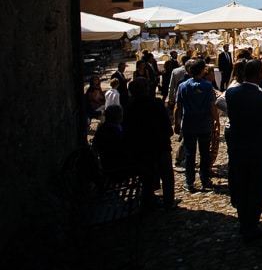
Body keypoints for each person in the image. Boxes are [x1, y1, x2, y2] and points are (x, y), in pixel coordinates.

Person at [224, 57, 262, 243]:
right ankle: (252, 225)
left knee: (241, 187)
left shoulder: (232, 94)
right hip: (259, 149)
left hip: (239, 147)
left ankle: (243, 223)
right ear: (259, 75)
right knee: (256, 189)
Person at [123, 76, 178, 212]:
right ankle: (168, 201)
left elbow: (127, 128)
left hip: (141, 146)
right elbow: (165, 123)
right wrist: (168, 134)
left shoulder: (129, 107)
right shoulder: (156, 103)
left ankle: (148, 201)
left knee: (146, 175)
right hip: (159, 144)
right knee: (166, 174)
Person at [174, 58, 219, 192]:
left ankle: (189, 181)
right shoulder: (207, 86)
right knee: (204, 153)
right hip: (204, 123)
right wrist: (216, 120)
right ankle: (204, 179)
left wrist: (177, 123)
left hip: (188, 123)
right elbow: (212, 106)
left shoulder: (183, 86)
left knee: (190, 153)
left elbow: (178, 105)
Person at [91, 104, 132, 180]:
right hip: (116, 166)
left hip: (108, 163)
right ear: (119, 117)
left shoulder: (103, 128)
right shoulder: (114, 132)